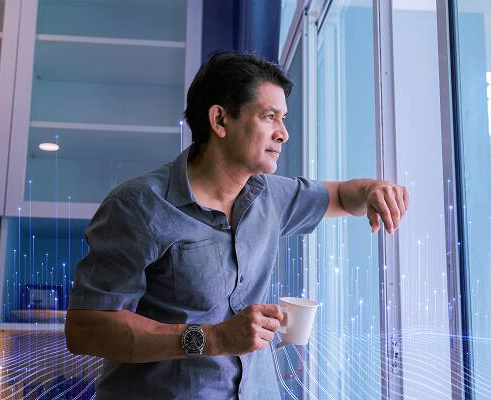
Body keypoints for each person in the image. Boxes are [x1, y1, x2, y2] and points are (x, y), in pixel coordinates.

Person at [65, 51, 409, 399]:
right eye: (269, 117)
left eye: (283, 119)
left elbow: (342, 196)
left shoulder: (271, 196)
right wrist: (212, 338)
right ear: (220, 120)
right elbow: (86, 329)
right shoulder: (138, 205)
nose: (283, 134)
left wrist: (373, 190)